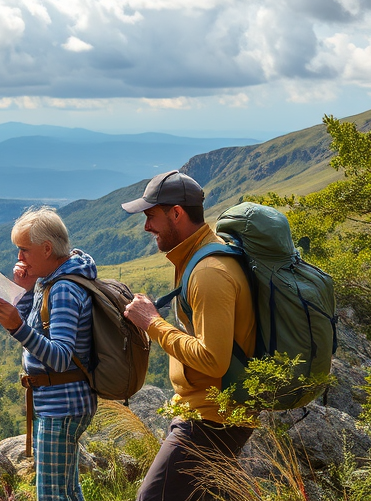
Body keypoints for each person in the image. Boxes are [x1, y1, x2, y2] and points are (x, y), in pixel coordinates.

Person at [120, 170, 256, 501]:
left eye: (151, 216)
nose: (146, 226)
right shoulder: (198, 257)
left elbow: (213, 360)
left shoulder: (209, 273)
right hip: (206, 413)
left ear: (176, 213)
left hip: (211, 417)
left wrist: (152, 323)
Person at [0, 207, 97, 501]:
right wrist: (23, 291)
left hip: (61, 405)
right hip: (63, 402)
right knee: (68, 491)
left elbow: (60, 357)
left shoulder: (62, 289)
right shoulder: (50, 282)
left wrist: (15, 326)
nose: (19, 257)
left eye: (24, 250)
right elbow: (39, 328)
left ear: (47, 248)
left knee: (51, 495)